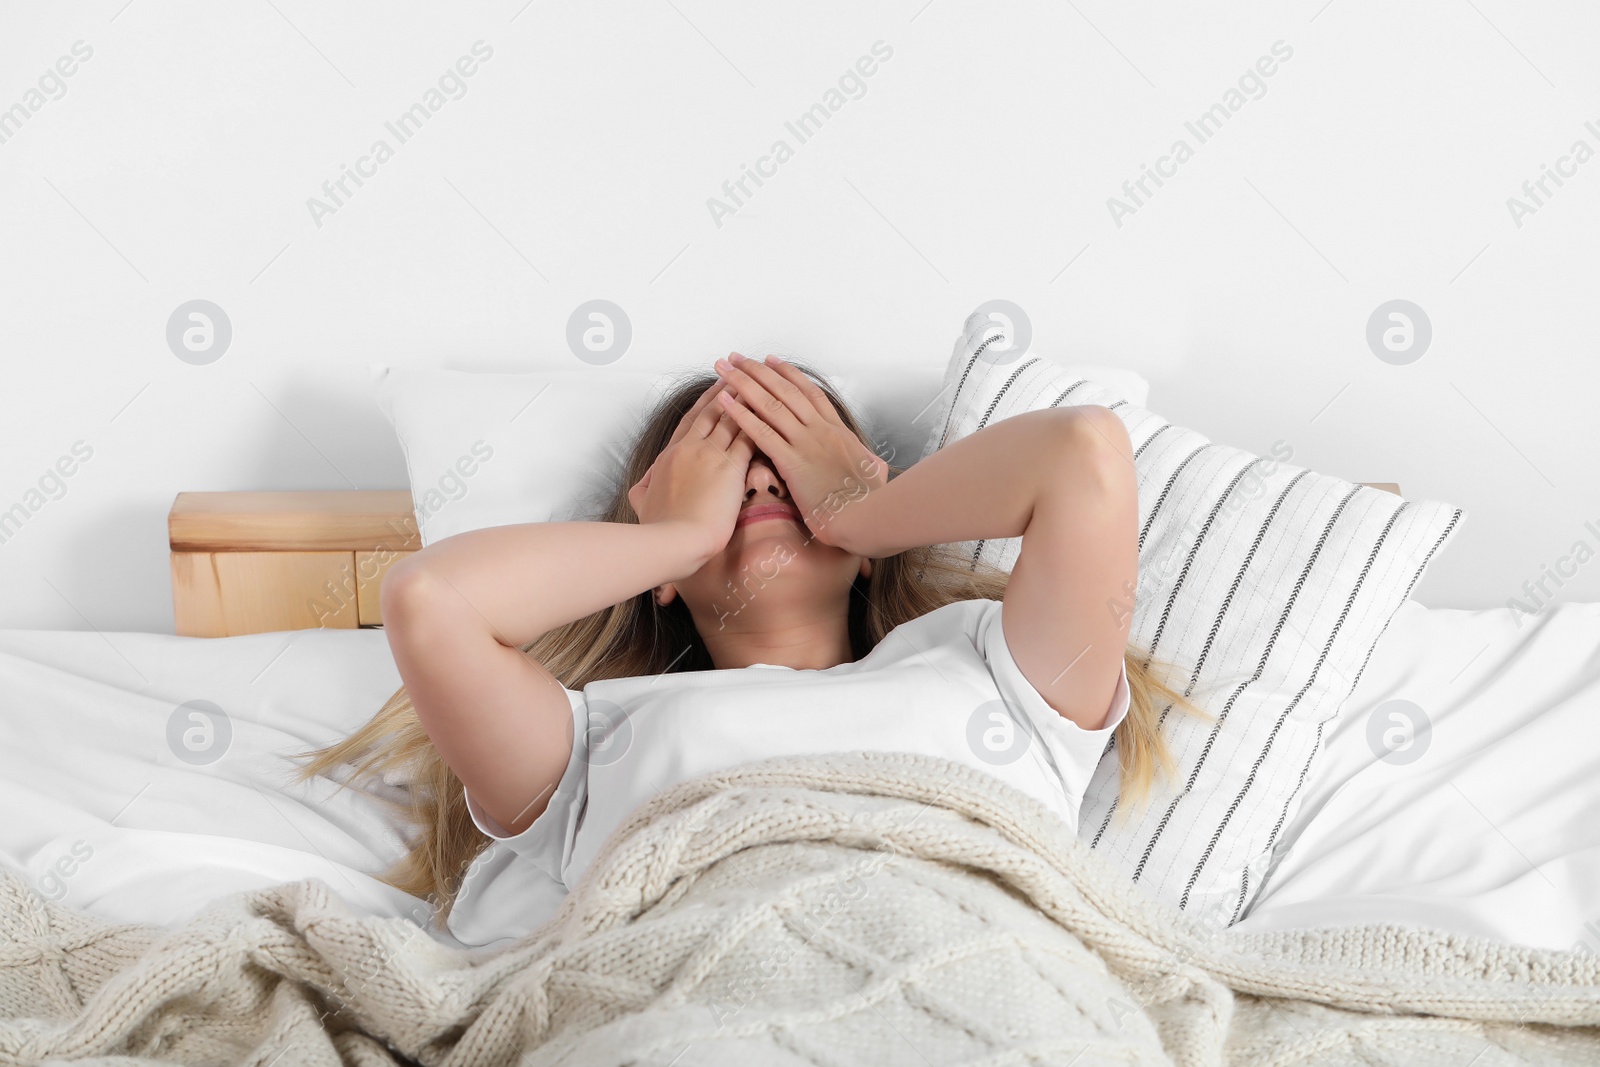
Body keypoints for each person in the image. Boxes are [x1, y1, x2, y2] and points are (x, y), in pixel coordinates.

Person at [298, 352, 1196, 932]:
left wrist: (865, 508)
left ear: (868, 553)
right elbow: (429, 600)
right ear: (653, 569)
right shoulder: (592, 739)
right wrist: (675, 536)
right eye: (724, 466)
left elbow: (1084, 453)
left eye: (791, 464)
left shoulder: (995, 673)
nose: (762, 476)